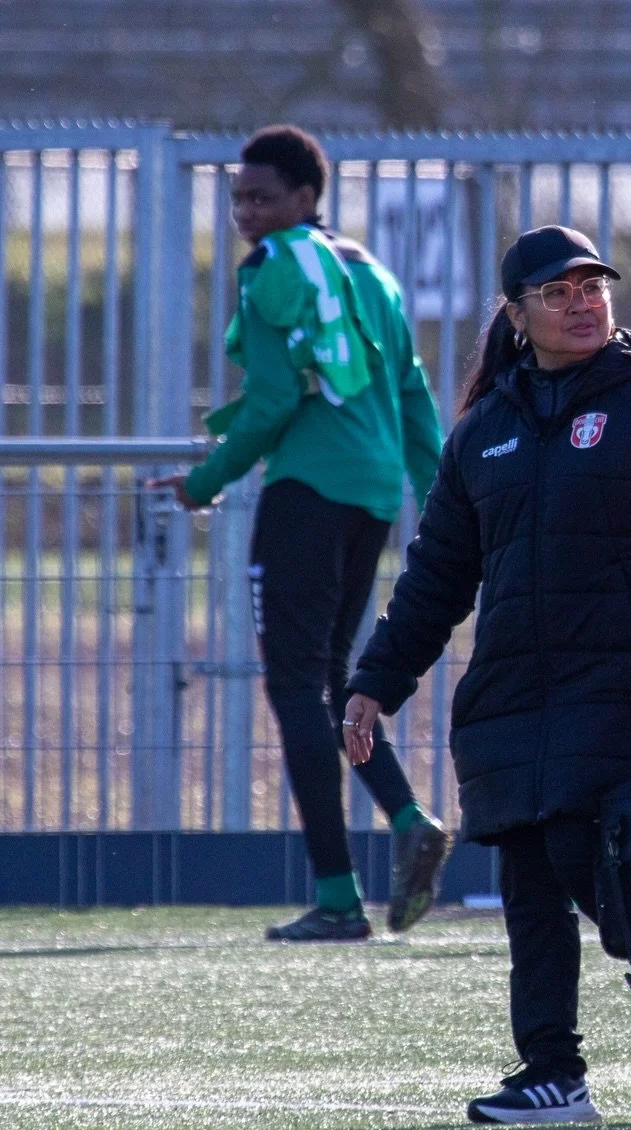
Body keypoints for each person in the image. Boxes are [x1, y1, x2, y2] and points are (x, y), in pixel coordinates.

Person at [342, 225, 631, 1124]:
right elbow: (436, 574)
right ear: (518, 314)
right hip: (509, 697)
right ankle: (553, 1074)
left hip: (616, 686)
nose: (582, 302)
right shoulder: (483, 430)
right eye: (559, 291)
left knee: (582, 857)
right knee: (528, 881)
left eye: (593, 286)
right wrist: (376, 679)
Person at [151, 126, 450, 941]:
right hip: (372, 499)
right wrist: (444, 504)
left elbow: (276, 401)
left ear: (305, 199)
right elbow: (415, 398)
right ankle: (406, 815)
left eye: (262, 196)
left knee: (293, 685)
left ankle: (339, 896)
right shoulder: (373, 273)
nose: (247, 210)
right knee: (331, 680)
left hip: (306, 495)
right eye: (239, 196)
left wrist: (204, 481)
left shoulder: (276, 269)